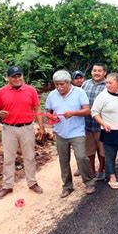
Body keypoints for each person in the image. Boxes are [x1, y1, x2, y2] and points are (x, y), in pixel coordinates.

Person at [0, 66, 45, 200]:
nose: (17, 79)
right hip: (8, 129)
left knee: (29, 157)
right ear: (8, 78)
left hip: (27, 128)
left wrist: (41, 126)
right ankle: (7, 185)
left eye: (19, 75)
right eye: (14, 76)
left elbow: (37, 107)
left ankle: (32, 183)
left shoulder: (31, 90)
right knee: (9, 159)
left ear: (22, 76)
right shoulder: (1, 92)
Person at [45, 70, 96, 198]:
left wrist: (73, 113)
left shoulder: (79, 92)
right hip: (60, 132)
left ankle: (89, 182)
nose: (59, 87)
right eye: (57, 84)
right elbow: (48, 112)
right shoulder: (52, 95)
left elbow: (87, 111)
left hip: (77, 131)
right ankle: (67, 186)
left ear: (68, 83)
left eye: (62, 84)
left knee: (81, 157)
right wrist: (52, 117)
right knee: (63, 160)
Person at [91, 73, 118, 190]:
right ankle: (112, 178)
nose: (107, 85)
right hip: (109, 131)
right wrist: (103, 123)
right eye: (106, 83)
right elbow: (94, 112)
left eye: (110, 83)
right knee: (110, 156)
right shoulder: (102, 96)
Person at [81, 63, 107, 180]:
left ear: (104, 73)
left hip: (101, 124)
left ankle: (101, 170)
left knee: (102, 150)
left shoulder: (107, 85)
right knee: (89, 149)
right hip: (87, 124)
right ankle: (92, 170)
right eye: (94, 70)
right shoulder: (85, 84)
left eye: (99, 71)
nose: (96, 73)